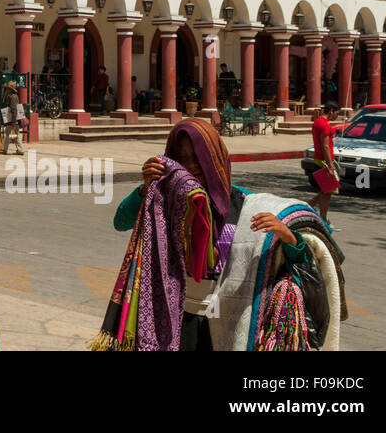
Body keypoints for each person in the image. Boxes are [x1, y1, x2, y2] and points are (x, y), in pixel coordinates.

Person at [98, 118, 327, 351]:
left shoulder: (247, 203)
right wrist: (145, 188)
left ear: (215, 157)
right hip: (174, 320)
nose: (192, 166)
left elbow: (301, 258)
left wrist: (288, 236)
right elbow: (121, 221)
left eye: (198, 157)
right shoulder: (167, 201)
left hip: (230, 323)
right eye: (183, 159)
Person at [308, 101, 346, 222]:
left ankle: (312, 207)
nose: (337, 116)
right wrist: (330, 165)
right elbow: (325, 146)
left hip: (319, 158)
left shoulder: (318, 121)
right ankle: (320, 216)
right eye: (337, 113)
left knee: (328, 189)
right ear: (331, 111)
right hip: (323, 160)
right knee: (329, 189)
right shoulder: (325, 125)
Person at [2, 80, 25, 155]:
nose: (6, 90)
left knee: (12, 134)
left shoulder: (13, 97)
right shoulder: (11, 96)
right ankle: (6, 149)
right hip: (13, 119)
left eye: (7, 88)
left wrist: (13, 122)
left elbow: (14, 110)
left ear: (10, 89)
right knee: (12, 134)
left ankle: (18, 149)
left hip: (13, 119)